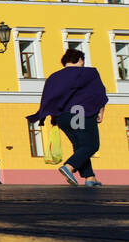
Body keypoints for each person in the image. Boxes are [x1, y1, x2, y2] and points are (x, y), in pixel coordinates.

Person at [26, 48, 108, 186]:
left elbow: (50, 98)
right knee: (92, 145)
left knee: (80, 145)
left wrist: (52, 116)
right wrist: (101, 112)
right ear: (80, 60)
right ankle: (69, 166)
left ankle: (90, 177)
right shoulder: (89, 73)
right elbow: (99, 93)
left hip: (62, 116)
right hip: (80, 113)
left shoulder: (54, 77)